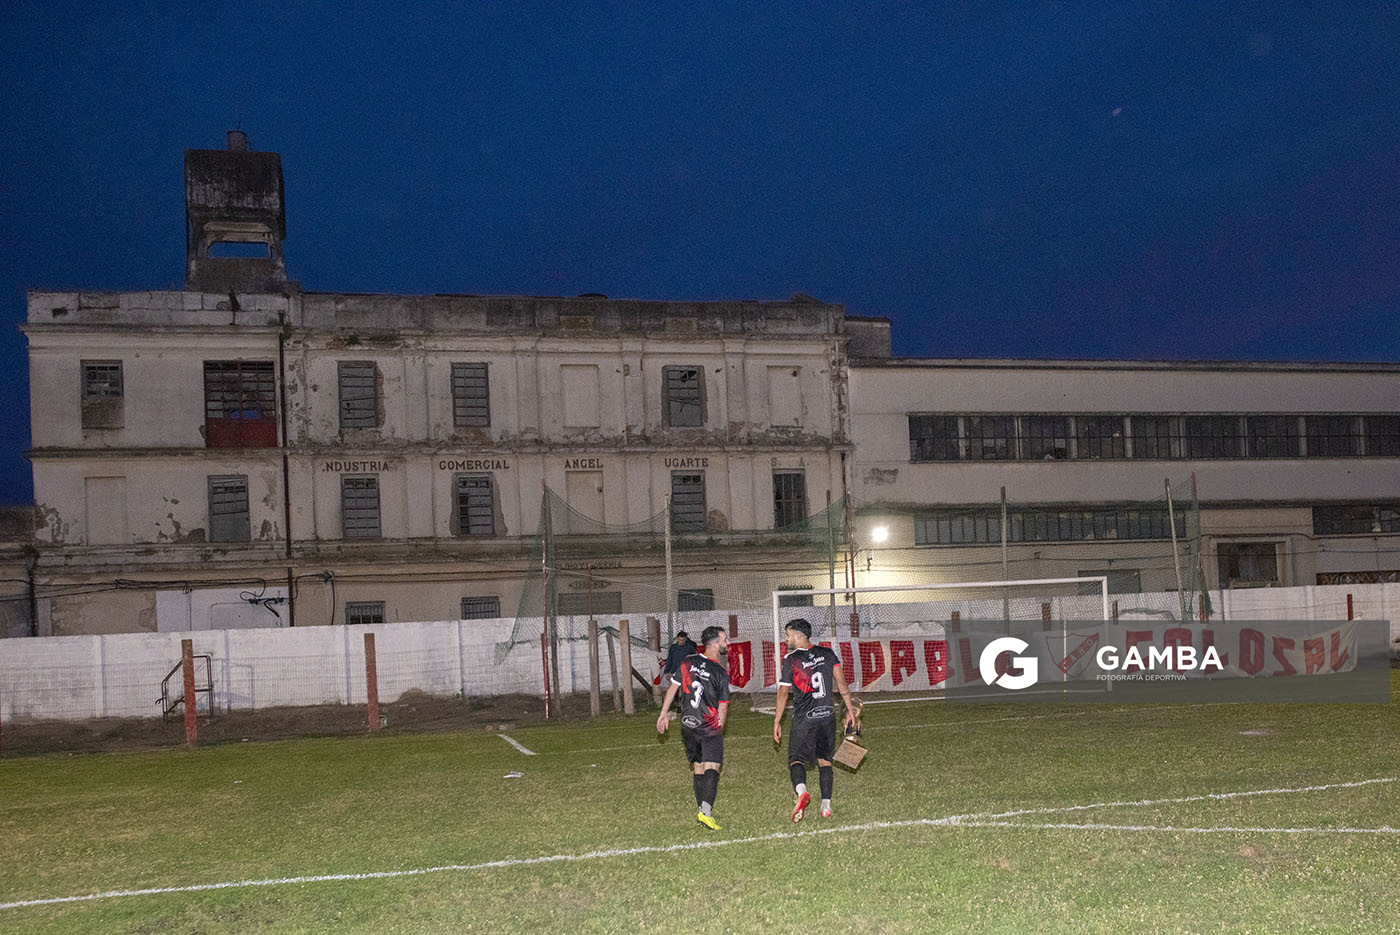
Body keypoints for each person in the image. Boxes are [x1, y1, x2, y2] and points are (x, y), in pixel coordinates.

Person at [772, 618, 855, 822]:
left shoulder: (791, 659)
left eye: (788, 634)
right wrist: (849, 709)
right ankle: (826, 806)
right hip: (827, 715)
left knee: (796, 760)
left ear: (799, 635)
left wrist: (776, 721)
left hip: (805, 718)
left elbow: (783, 692)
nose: (786, 639)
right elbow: (842, 683)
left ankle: (802, 793)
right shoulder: (827, 653)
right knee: (825, 761)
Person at [656, 625, 730, 830]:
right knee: (712, 767)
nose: (727, 643)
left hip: (688, 723)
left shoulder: (687, 662)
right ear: (715, 644)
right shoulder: (720, 672)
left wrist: (663, 713)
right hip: (708, 724)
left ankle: (701, 809)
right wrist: (720, 726)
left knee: (698, 767)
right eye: (724, 640)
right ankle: (706, 812)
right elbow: (723, 706)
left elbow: (673, 689)